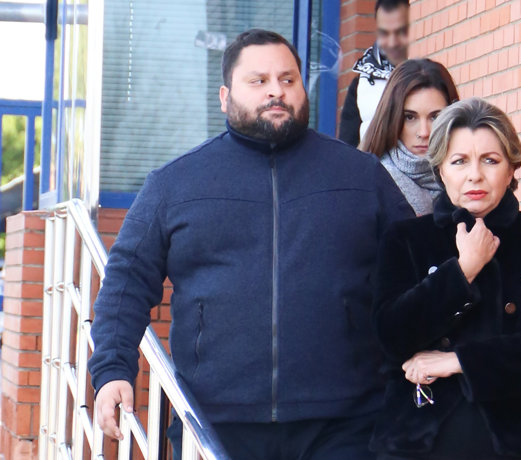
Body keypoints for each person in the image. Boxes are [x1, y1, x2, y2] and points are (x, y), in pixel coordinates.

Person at [88, 29, 414, 460]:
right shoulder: (175, 185)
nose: (276, 91)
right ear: (225, 97)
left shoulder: (361, 177)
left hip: (346, 424)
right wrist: (112, 369)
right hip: (214, 424)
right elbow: (125, 283)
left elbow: (415, 275)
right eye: (258, 81)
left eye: (287, 79)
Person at [369, 98, 521, 459]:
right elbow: (390, 336)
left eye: (490, 160)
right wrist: (463, 270)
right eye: (459, 161)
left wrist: (459, 360)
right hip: (420, 442)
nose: (475, 175)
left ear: (511, 168)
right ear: (440, 169)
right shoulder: (406, 239)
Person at [360, 59, 458, 216]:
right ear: (392, 118)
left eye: (435, 117)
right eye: (410, 117)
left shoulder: (471, 177)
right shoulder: (372, 183)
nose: (424, 132)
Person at [338, 0, 410, 147]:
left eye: (400, 31)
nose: (392, 42)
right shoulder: (360, 85)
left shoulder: (429, 76)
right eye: (385, 33)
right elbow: (346, 149)